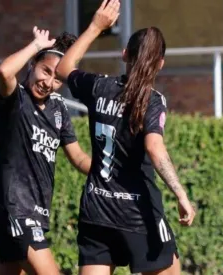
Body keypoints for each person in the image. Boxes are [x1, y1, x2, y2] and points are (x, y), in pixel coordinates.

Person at [56, 1, 196, 274]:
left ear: (124, 54)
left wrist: (96, 26)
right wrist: (181, 194)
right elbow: (155, 148)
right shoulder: (152, 101)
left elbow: (63, 68)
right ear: (161, 64)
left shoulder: (99, 86)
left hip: (97, 210)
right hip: (137, 213)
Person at [0, 27, 91, 275]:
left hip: (36, 209)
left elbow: (77, 156)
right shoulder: (16, 98)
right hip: (15, 207)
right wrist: (36, 45)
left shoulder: (58, 109)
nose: (49, 83)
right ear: (33, 64)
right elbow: (4, 71)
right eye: (46, 71)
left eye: (57, 79)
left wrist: (109, 172)